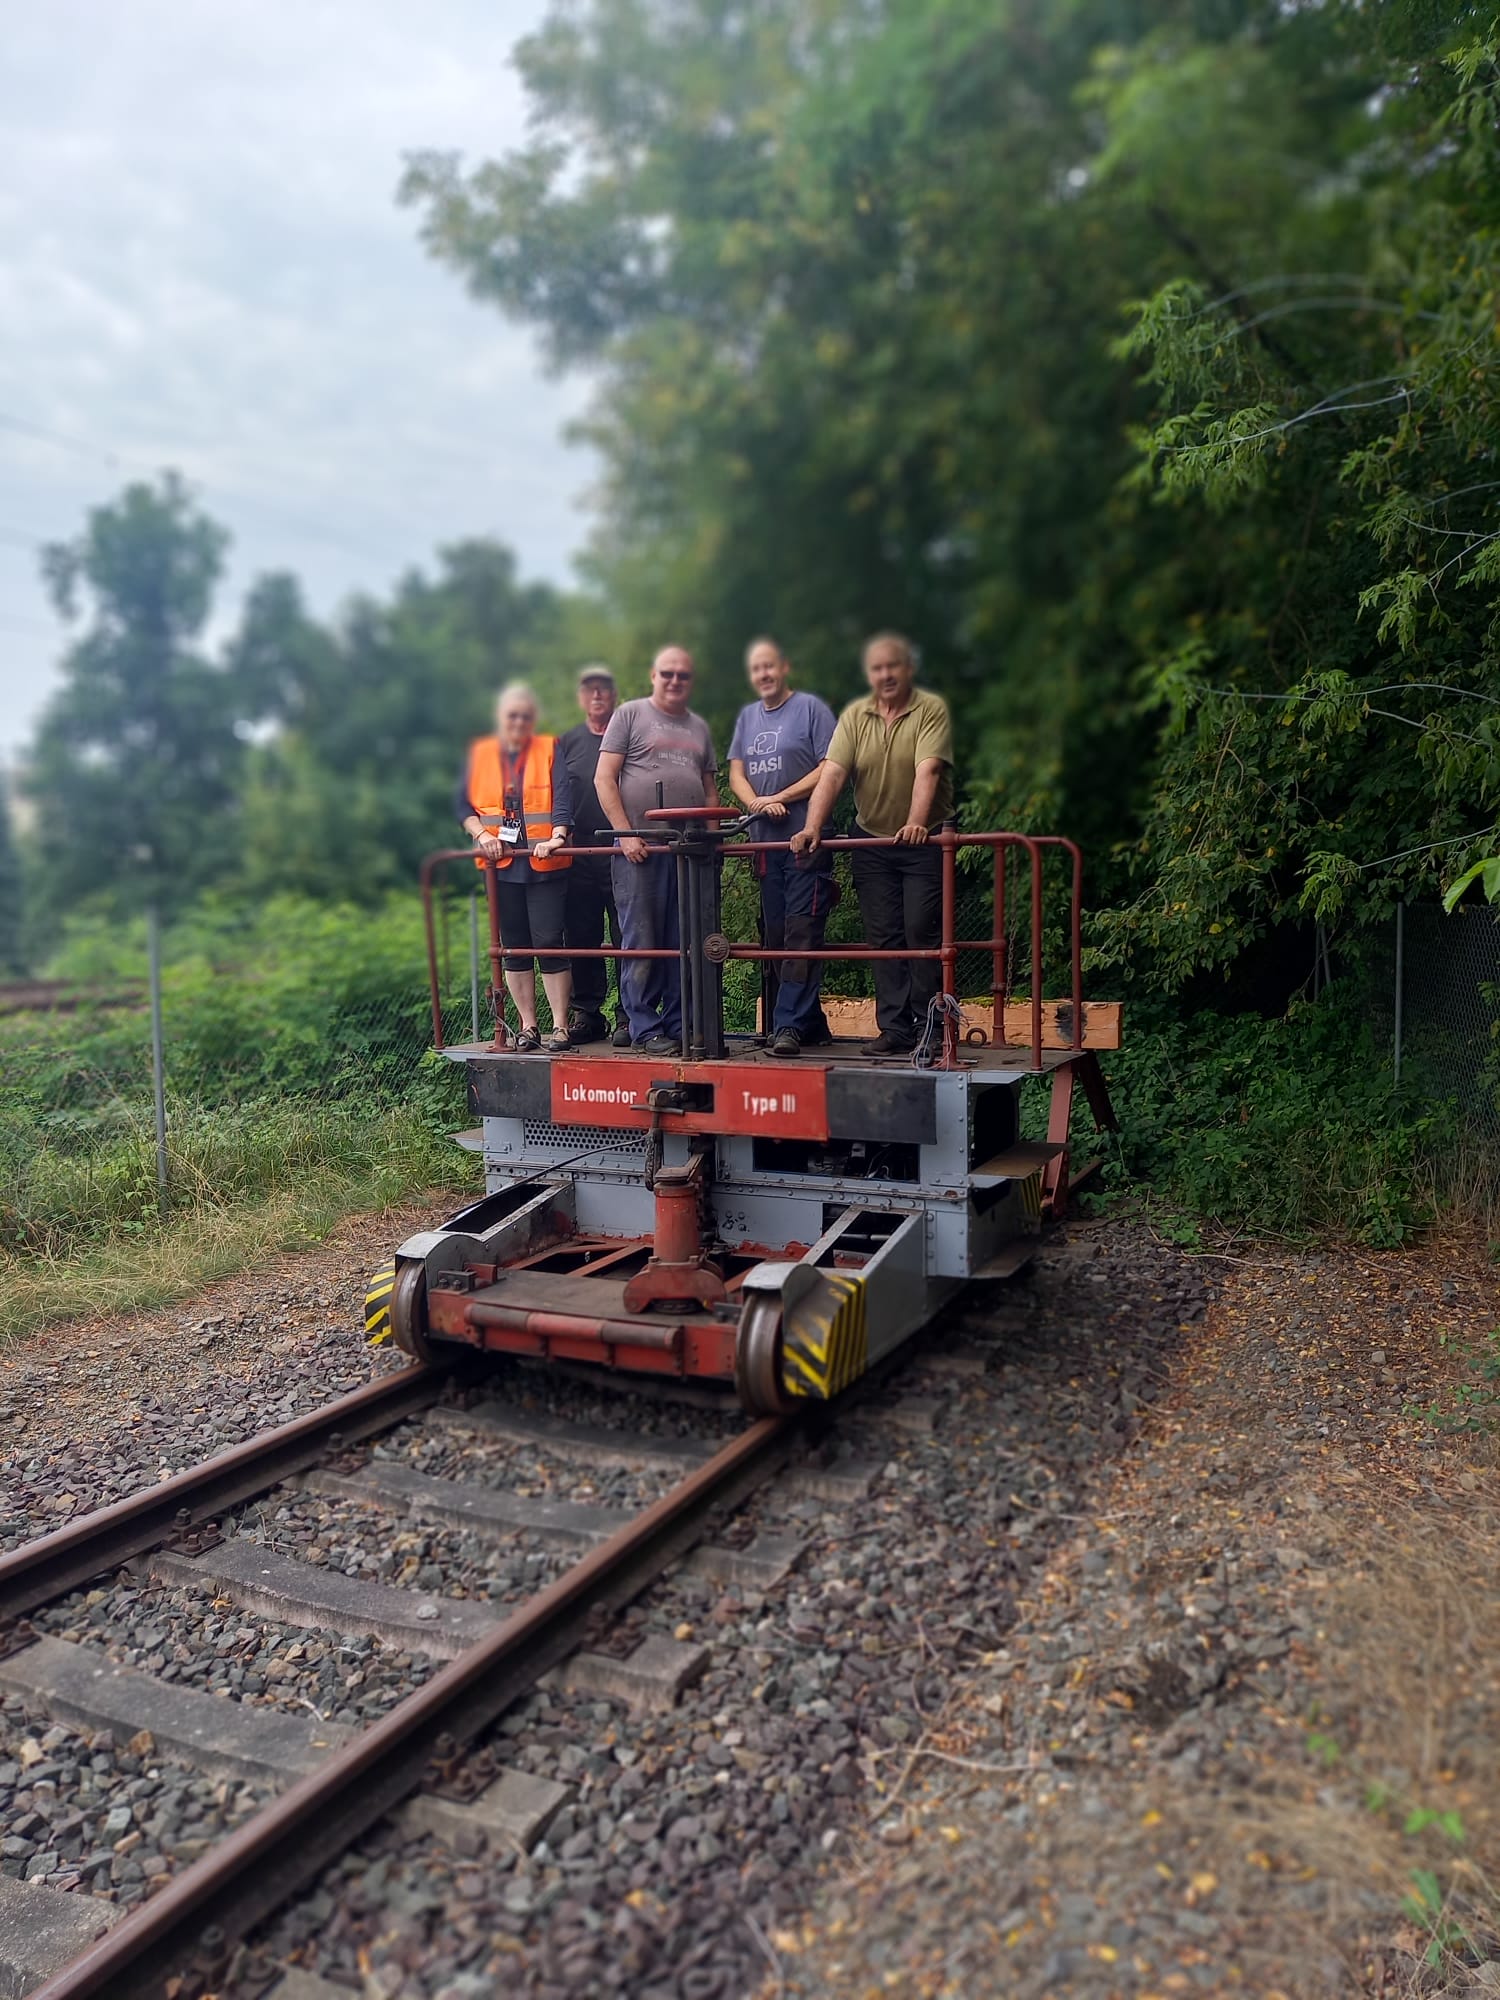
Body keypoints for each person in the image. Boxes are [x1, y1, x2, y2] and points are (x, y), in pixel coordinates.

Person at [790, 633, 954, 1057]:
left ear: (908, 669)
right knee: (883, 937)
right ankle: (896, 1028)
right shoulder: (855, 715)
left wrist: (916, 823)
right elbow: (832, 774)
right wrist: (812, 827)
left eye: (892, 666)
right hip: (871, 840)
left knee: (921, 931)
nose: (886, 675)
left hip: (924, 838)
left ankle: (932, 1027)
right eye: (878, 668)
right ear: (869, 674)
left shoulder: (930, 709)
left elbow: (929, 770)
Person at [595, 646, 719, 1056]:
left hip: (688, 852)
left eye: (683, 674)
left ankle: (679, 1023)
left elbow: (710, 789)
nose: (674, 680)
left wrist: (714, 844)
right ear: (653, 675)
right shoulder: (629, 715)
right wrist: (626, 835)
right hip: (641, 851)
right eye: (667, 673)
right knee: (643, 939)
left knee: (684, 942)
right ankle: (644, 1026)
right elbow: (604, 778)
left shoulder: (699, 727)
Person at [726, 636, 838, 1057]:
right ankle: (810, 1022)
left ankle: (788, 1023)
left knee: (801, 932)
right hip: (765, 846)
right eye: (757, 668)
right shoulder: (747, 718)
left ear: (784, 667)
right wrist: (756, 803)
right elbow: (736, 773)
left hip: (805, 841)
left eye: (769, 666)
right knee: (775, 936)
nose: (764, 674)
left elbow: (830, 768)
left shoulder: (811, 709)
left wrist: (781, 797)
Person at [456, 682, 574, 1053]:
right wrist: (480, 835)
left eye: (525, 716)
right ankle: (528, 1026)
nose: (519, 722)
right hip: (500, 864)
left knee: (549, 941)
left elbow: (563, 797)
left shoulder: (549, 747)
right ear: (500, 717)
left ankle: (560, 1027)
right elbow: (462, 805)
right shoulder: (479, 754)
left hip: (544, 860)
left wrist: (557, 836)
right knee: (514, 946)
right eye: (512, 715)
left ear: (533, 719)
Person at [559, 663, 624, 1045]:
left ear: (614, 695)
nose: (597, 694)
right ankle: (587, 1014)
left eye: (603, 688)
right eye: (590, 689)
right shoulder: (567, 741)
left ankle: (629, 1014)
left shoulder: (627, 733)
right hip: (578, 848)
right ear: (581, 697)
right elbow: (557, 796)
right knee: (581, 933)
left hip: (621, 846)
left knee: (626, 932)